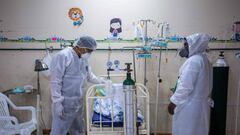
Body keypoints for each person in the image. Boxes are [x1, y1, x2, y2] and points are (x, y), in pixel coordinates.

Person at [50, 36, 106, 135]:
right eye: (89, 50)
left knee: (78, 129)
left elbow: (89, 76)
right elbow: (55, 81)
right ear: (81, 46)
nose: (89, 53)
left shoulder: (84, 59)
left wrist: (101, 81)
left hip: (77, 102)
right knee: (59, 131)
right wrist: (57, 102)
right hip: (64, 102)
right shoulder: (63, 56)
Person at [168, 33, 212, 135]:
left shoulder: (194, 61)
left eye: (186, 45)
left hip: (190, 109)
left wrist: (173, 103)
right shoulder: (204, 60)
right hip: (200, 107)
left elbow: (185, 86)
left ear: (195, 46)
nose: (184, 47)